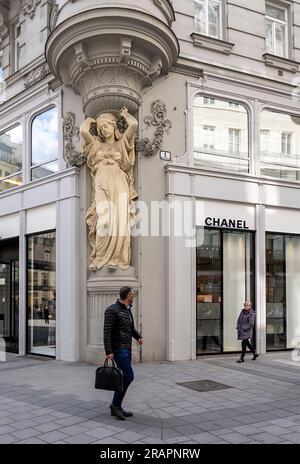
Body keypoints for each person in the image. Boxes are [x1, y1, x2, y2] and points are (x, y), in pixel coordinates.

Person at [80, 107, 138, 271]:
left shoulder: (122, 143)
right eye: (100, 128)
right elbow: (84, 132)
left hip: (119, 181)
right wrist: (89, 121)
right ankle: (101, 258)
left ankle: (117, 257)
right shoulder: (96, 145)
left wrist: (125, 115)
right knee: (104, 220)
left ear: (114, 126)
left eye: (106, 125)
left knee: (120, 221)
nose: (103, 129)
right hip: (101, 181)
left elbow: (133, 125)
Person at [103, 286, 143, 420]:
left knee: (123, 377)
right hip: (118, 349)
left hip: (127, 349)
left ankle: (117, 406)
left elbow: (130, 328)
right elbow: (107, 332)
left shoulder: (127, 310)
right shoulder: (112, 310)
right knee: (128, 376)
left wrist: (138, 337)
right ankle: (115, 405)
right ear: (127, 296)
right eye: (132, 295)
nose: (134, 297)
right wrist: (109, 351)